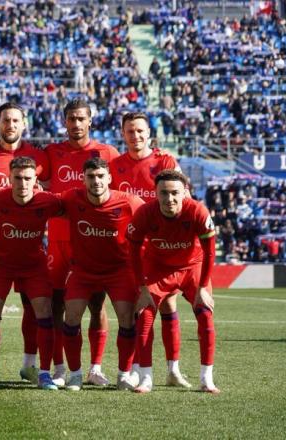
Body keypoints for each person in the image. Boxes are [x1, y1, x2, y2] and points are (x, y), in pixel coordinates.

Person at [0, 102, 50, 385]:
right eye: (5, 120)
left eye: (15, 120)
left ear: (23, 123)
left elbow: (52, 192)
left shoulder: (41, 157)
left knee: (34, 305)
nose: (10, 125)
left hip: (29, 244)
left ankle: (30, 364)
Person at [110, 111, 191, 388]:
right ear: (123, 134)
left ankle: (173, 369)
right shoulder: (114, 165)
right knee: (137, 310)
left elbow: (185, 199)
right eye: (130, 131)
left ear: (149, 133)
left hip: (162, 250)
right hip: (129, 250)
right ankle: (135, 368)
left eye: (140, 131)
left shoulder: (165, 161)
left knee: (169, 304)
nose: (136, 136)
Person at [44, 99, 120, 387]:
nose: (76, 124)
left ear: (90, 121)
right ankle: (60, 368)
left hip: (93, 242)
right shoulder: (52, 153)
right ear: (64, 122)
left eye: (81, 119)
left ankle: (96, 367)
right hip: (58, 242)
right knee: (56, 306)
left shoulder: (107, 153)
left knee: (96, 305)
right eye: (71, 119)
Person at [127, 170, 219, 394]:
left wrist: (202, 287)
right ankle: (146, 378)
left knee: (205, 313)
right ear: (156, 194)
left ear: (185, 192)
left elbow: (209, 252)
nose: (170, 199)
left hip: (192, 267)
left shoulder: (197, 211)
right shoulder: (145, 213)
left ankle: (207, 378)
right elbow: (133, 250)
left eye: (175, 193)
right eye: (164, 193)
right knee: (145, 314)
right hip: (158, 268)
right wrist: (142, 288)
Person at [0, 157, 62, 391]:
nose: (22, 183)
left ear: (36, 180)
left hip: (34, 265)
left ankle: (45, 373)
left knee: (44, 313)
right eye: (18, 178)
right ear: (10, 178)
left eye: (27, 178)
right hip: (2, 265)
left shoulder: (47, 201)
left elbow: (70, 209)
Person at [60, 158, 144, 391]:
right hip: (83, 271)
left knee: (127, 320)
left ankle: (124, 374)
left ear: (109, 178)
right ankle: (75, 375)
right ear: (83, 178)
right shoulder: (71, 198)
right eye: (91, 176)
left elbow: (152, 217)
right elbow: (46, 203)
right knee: (71, 318)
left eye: (100, 176)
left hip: (119, 271)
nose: (96, 181)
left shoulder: (129, 202)